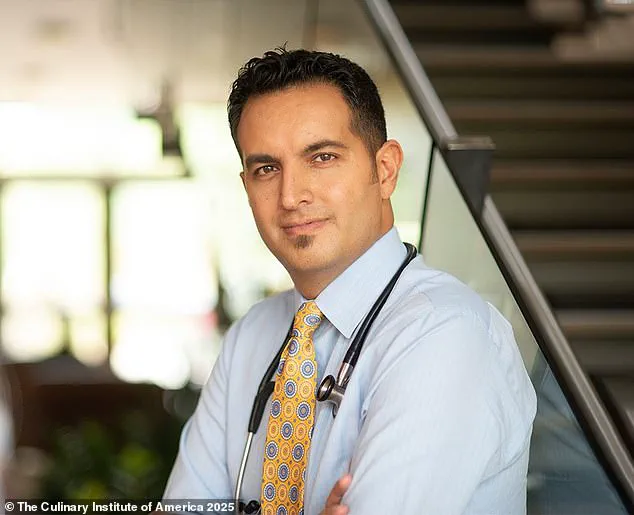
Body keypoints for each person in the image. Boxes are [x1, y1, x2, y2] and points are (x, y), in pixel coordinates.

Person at [163, 47, 537, 515]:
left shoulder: (444, 333)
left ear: (385, 170)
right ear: (247, 188)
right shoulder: (250, 338)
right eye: (266, 169)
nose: (291, 196)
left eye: (322, 157)